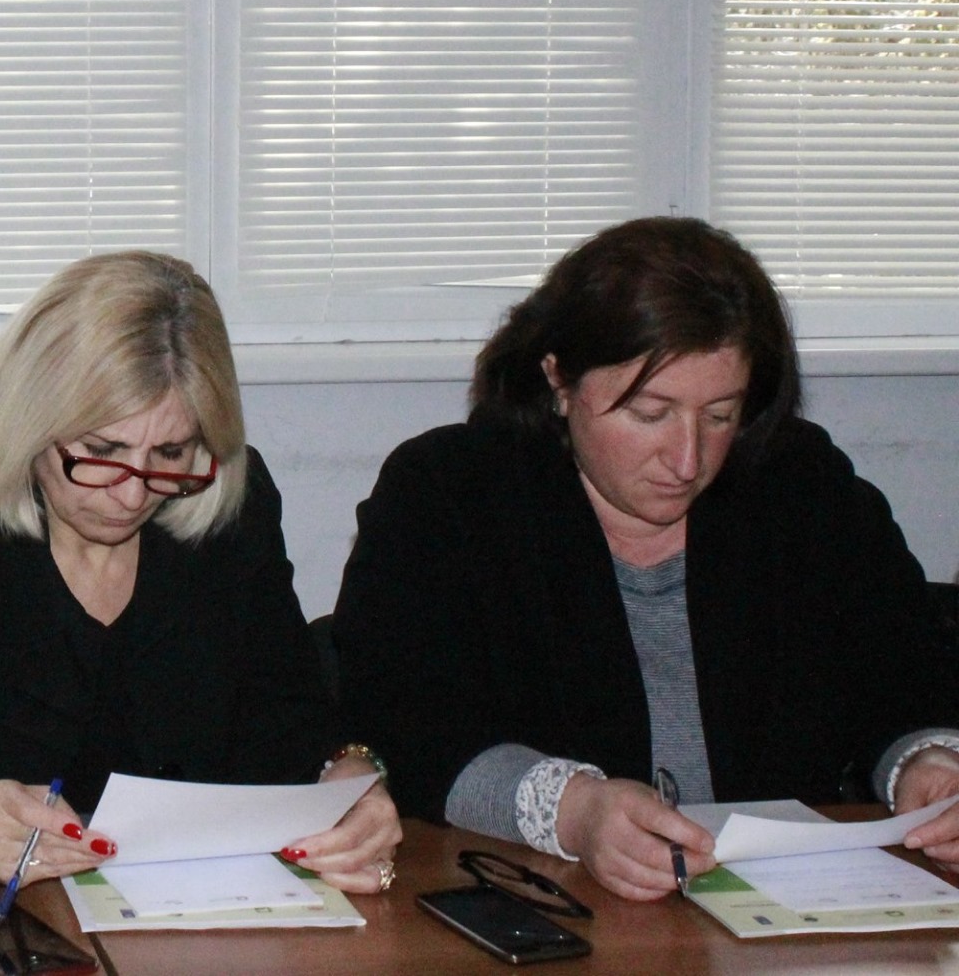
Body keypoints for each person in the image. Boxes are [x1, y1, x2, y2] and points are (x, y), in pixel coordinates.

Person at [333, 216, 959, 900]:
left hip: (793, 907)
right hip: (556, 903)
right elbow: (405, 725)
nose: (687, 459)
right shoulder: (450, 494)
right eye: (651, 413)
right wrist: (575, 810)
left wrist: (924, 761)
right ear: (559, 378)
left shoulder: (801, 487)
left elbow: (907, 668)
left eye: (719, 415)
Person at [0, 251, 401, 892]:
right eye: (102, 450)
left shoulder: (228, 513)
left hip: (196, 913)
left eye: (171, 451)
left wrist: (346, 773)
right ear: (31, 421)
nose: (134, 492)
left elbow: (290, 714)